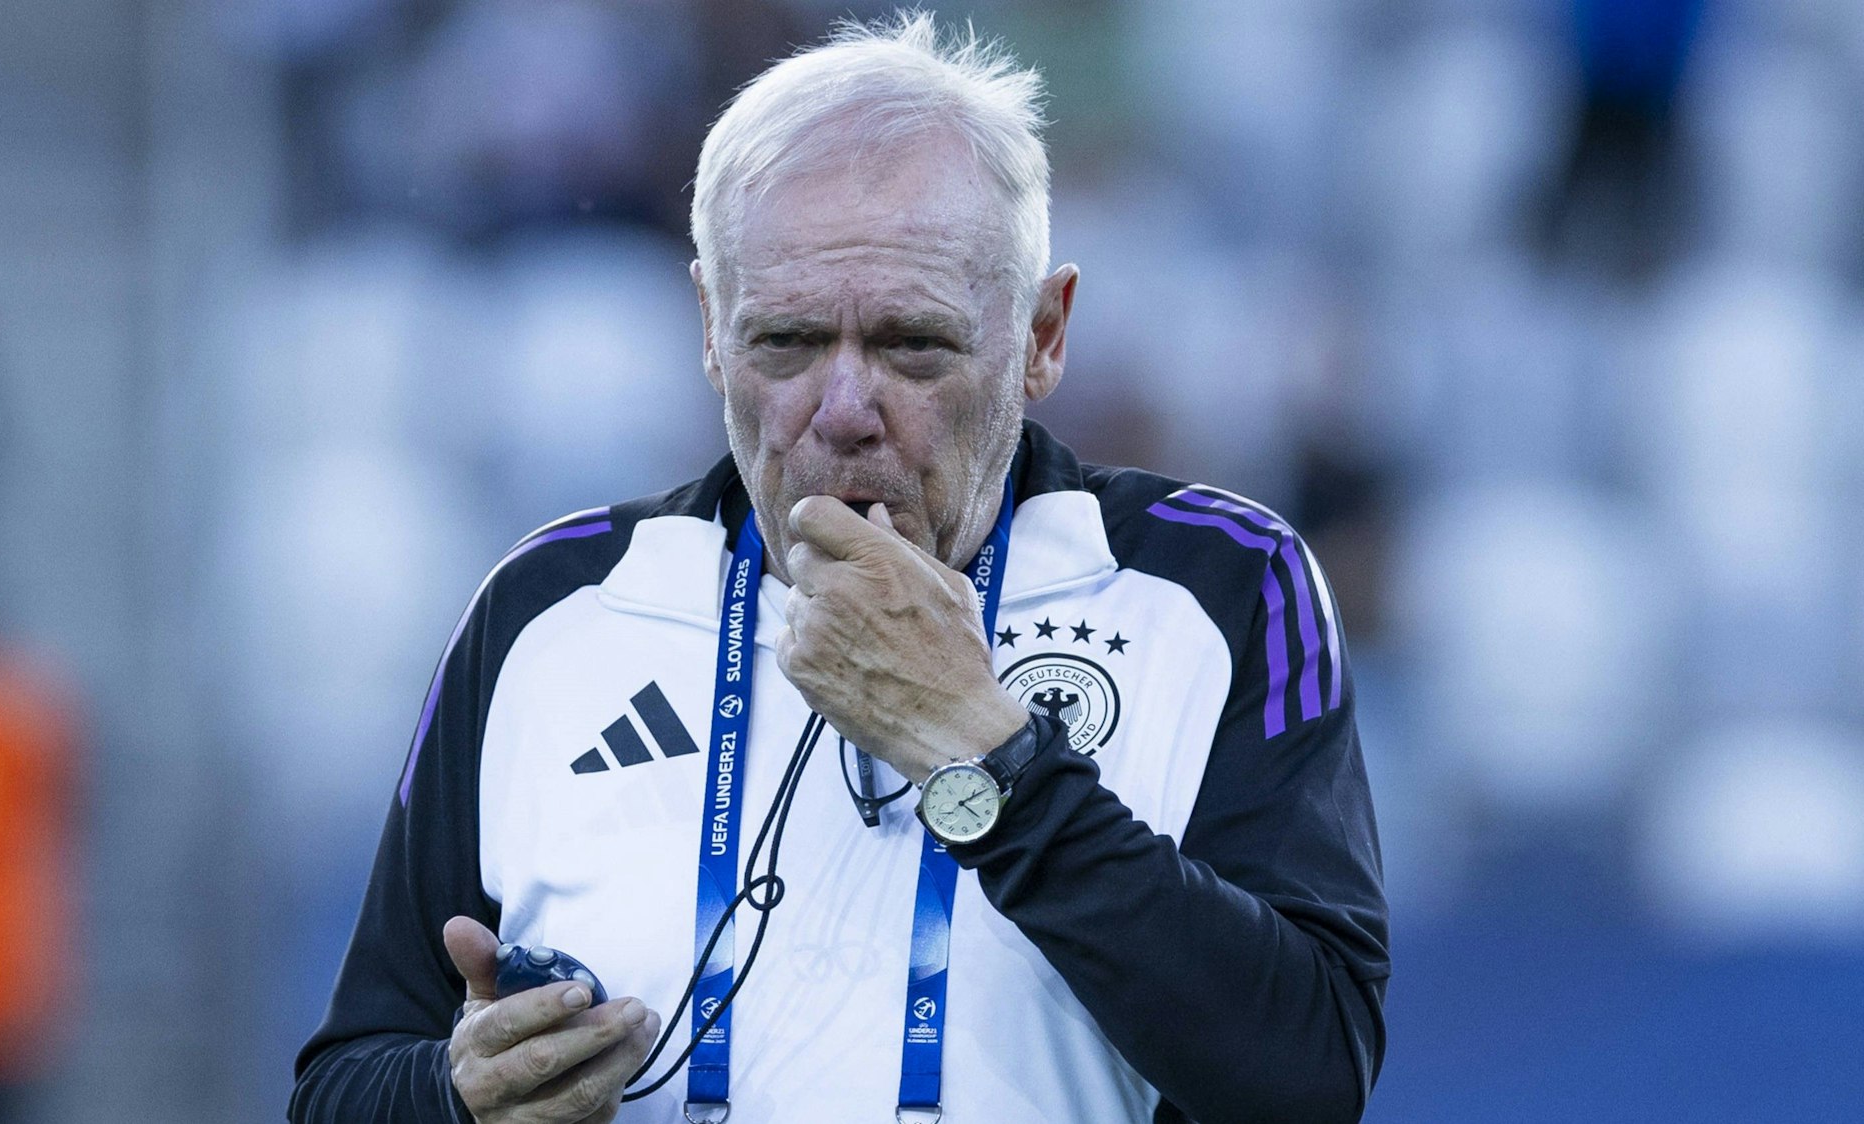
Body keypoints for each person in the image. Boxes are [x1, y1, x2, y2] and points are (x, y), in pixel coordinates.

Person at [292, 12, 1388, 1124]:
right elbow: (341, 1083)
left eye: (913, 343)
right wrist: (454, 1094)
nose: (845, 410)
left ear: (1043, 334)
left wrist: (980, 754)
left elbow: (1307, 1075)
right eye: (787, 344)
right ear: (709, 329)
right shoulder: (551, 611)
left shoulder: (1211, 587)